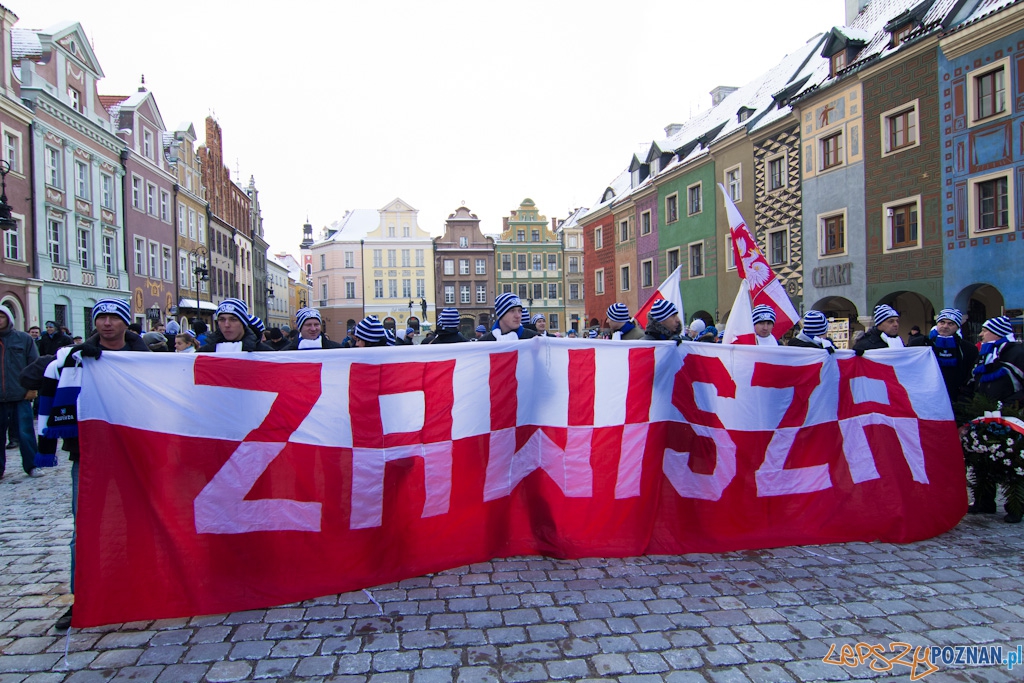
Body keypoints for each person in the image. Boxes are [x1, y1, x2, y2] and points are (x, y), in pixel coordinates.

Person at [39, 298, 150, 631]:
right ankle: (82, 597)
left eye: (114, 318)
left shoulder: (145, 360)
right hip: (88, 456)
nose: (106, 323)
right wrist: (63, 361)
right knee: (84, 526)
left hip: (134, 454)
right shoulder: (76, 357)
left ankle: (140, 587)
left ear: (126, 324)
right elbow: (34, 379)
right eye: (100, 317)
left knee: (139, 523)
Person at [968, 316, 1024, 522]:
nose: (981, 334)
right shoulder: (985, 353)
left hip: (1011, 414)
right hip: (984, 412)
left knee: (1012, 460)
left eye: (985, 330)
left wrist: (1011, 404)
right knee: (982, 457)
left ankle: (1015, 506)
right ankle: (984, 500)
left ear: (997, 332)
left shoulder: (1017, 352)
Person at [0, 303, 42, 480]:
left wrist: (32, 388)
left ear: (8, 318)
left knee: (25, 432)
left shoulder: (23, 339)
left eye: (1, 316)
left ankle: (32, 465)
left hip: (21, 394)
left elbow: (34, 364)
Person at [908, 308, 977, 403]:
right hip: (925, 397)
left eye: (950, 323)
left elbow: (971, 374)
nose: (945, 326)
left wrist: (964, 396)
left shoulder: (968, 348)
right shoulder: (920, 343)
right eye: (942, 322)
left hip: (956, 398)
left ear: (957, 327)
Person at [198, 299, 273, 353]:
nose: (227, 325)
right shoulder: (204, 353)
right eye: (222, 319)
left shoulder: (265, 353)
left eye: (233, 319)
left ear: (243, 322)